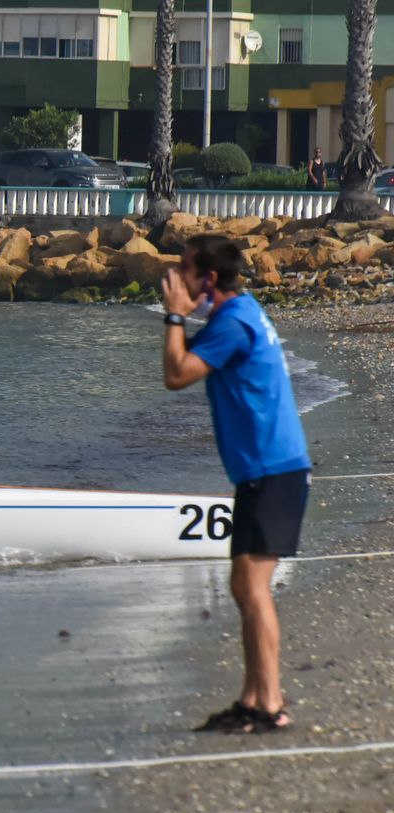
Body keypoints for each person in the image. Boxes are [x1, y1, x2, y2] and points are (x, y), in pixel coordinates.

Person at [162, 234, 311, 735]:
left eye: (184, 268)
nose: (176, 275)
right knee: (243, 586)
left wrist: (175, 316)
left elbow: (177, 374)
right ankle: (252, 698)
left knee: (252, 587)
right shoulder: (240, 311)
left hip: (275, 470)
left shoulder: (232, 324)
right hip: (265, 471)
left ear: (207, 279)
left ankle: (270, 703)